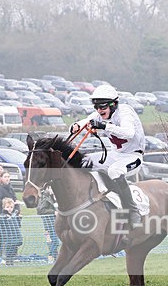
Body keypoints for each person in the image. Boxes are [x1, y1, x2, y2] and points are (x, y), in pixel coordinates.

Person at [69, 84, 146, 227]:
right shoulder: (99, 114)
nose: (99, 110)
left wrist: (104, 126)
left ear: (114, 105)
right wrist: (75, 126)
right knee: (82, 160)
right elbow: (85, 121)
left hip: (133, 156)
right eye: (96, 107)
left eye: (103, 107)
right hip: (115, 155)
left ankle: (132, 210)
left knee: (114, 171)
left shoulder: (125, 112)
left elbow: (129, 133)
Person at [37, 186, 59, 262]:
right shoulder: (45, 197)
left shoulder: (53, 196)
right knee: (55, 241)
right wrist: (53, 212)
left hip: (56, 221)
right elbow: (40, 210)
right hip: (49, 222)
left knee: (54, 240)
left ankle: (55, 257)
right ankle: (50, 255)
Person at [0, 197, 23, 266]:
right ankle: (8, 261)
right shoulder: (3, 215)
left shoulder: (14, 215)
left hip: (15, 235)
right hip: (8, 236)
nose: (9, 208)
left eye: (11, 207)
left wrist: (19, 219)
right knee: (8, 249)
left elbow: (18, 225)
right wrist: (5, 218)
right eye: (7, 207)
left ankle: (12, 260)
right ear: (4, 207)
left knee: (14, 249)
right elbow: (0, 224)